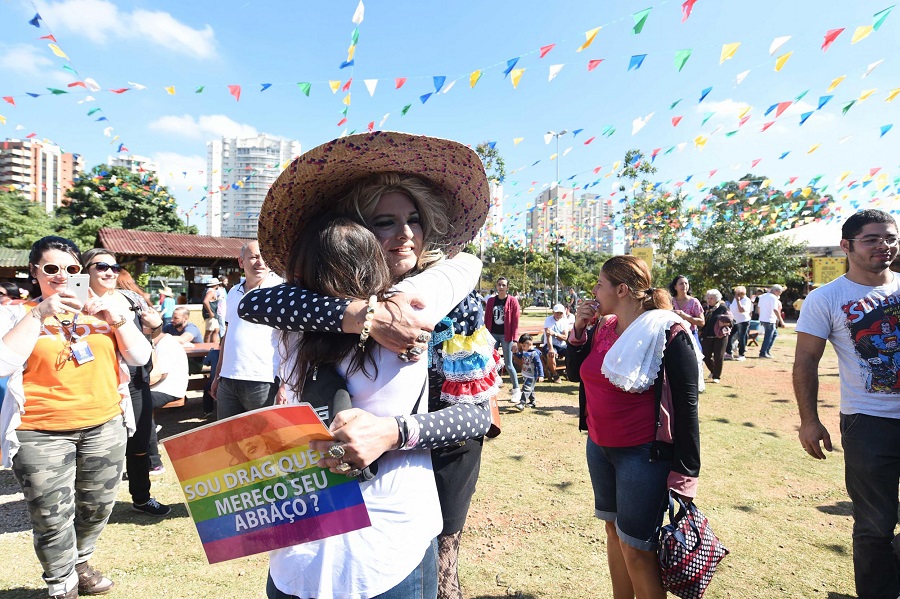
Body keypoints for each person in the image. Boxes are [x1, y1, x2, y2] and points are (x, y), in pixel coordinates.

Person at [238, 131, 496, 599]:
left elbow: (477, 415)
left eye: (414, 219)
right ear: (351, 231)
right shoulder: (300, 304)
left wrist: (393, 432)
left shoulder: (448, 302)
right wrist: (364, 317)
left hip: (395, 525)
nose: (405, 234)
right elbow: (255, 305)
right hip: (304, 522)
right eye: (385, 222)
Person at [0, 236, 151, 599]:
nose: (62, 276)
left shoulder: (102, 308)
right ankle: (61, 585)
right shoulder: (16, 312)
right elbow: (3, 363)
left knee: (97, 507)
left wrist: (117, 319)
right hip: (40, 431)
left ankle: (80, 564)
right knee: (51, 516)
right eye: (51, 269)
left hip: (105, 424)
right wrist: (39, 314)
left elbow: (139, 357)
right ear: (34, 272)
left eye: (71, 269)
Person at [566, 255, 702, 599]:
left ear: (622, 289)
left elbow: (687, 407)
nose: (594, 290)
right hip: (599, 447)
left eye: (599, 283)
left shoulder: (668, 332)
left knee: (638, 549)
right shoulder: (603, 327)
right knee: (613, 532)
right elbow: (574, 374)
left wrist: (685, 474)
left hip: (644, 454)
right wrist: (579, 331)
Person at [794, 209, 900, 599]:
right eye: (871, 239)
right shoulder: (827, 298)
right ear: (846, 246)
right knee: (875, 524)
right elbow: (806, 359)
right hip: (868, 423)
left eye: (889, 237)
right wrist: (809, 420)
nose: (883, 245)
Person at [82, 248, 171, 517]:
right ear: (85, 270)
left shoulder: (130, 297)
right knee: (95, 443)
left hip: (135, 377)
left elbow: (152, 331)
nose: (109, 272)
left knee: (140, 441)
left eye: (114, 266)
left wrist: (156, 326)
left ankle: (142, 497)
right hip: (96, 378)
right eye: (101, 266)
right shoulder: (74, 301)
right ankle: (88, 503)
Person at [210, 241, 283, 420]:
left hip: (263, 380)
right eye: (254, 257)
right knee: (229, 440)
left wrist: (285, 385)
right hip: (228, 380)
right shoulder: (233, 292)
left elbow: (291, 341)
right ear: (241, 262)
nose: (260, 262)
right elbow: (227, 336)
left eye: (265, 257)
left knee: (265, 441)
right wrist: (218, 374)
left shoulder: (281, 290)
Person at [145, 323, 189, 474]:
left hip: (169, 389)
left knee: (141, 405)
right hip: (160, 388)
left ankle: (154, 461)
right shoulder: (159, 342)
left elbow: (160, 375)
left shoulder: (166, 344)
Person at [486, 276, 522, 403]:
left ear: (507, 287)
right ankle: (491, 388)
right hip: (493, 335)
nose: (501, 287)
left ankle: (516, 390)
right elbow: (487, 319)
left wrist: (515, 340)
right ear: (496, 286)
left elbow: (516, 322)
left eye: (503, 285)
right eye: (499, 285)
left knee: (508, 364)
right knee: (490, 363)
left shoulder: (512, 301)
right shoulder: (491, 301)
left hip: (506, 336)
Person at [700, 289, 732, 384]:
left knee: (719, 356)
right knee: (706, 356)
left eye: (712, 298)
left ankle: (717, 376)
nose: (709, 300)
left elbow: (732, 321)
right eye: (708, 298)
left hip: (720, 336)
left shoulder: (723, 308)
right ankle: (713, 370)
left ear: (717, 299)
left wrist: (724, 323)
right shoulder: (705, 308)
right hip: (707, 335)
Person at [668, 274, 705, 345]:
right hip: (673, 335)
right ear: (675, 287)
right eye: (681, 283)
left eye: (686, 283)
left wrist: (684, 315)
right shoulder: (670, 301)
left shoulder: (694, 302)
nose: (684, 285)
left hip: (691, 335)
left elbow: (702, 322)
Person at [513, 333, 543, 410]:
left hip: (532, 376)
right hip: (526, 374)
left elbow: (539, 365)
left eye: (523, 346)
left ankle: (522, 403)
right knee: (530, 389)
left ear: (529, 344)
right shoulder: (524, 351)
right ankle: (532, 402)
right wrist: (515, 353)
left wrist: (541, 375)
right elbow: (520, 356)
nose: (522, 348)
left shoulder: (534, 354)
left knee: (526, 388)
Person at [542, 303, 571, 382]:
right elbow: (548, 335)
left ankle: (568, 371)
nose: (558, 314)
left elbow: (565, 337)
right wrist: (551, 349)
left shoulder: (565, 321)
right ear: (553, 312)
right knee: (551, 354)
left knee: (572, 352)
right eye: (557, 312)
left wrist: (555, 333)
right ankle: (555, 374)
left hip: (561, 345)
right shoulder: (548, 320)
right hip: (550, 344)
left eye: (560, 313)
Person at [757, 284, 785, 358]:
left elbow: (758, 307)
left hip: (763, 318)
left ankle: (767, 350)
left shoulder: (763, 296)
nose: (780, 294)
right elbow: (775, 309)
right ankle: (763, 352)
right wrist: (781, 320)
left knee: (774, 334)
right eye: (780, 292)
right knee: (768, 336)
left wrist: (761, 317)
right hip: (769, 319)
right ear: (777, 291)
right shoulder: (773, 298)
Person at [727, 285, 752, 361]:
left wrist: (738, 301)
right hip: (734, 320)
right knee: (729, 335)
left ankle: (742, 354)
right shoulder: (735, 299)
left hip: (743, 321)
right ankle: (728, 352)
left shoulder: (746, 300)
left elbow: (741, 310)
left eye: (738, 294)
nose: (736, 295)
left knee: (742, 337)